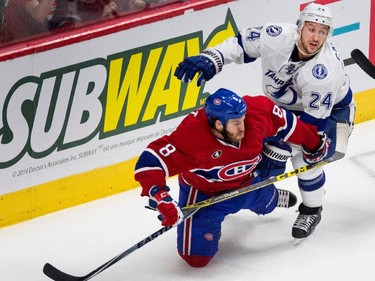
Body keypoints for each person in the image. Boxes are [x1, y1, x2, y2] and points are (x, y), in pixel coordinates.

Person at [174, 3, 355, 240]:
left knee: (305, 159)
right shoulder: (277, 35)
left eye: (323, 32)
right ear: (299, 26)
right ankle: (261, 195)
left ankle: (312, 209)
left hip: (330, 114)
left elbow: (311, 126)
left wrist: (282, 148)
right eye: (312, 29)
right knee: (238, 140)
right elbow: (241, 44)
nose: (316, 37)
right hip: (280, 109)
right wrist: (212, 57)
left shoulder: (323, 71)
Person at [134, 87, 331, 267]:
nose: (242, 127)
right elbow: (150, 162)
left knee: (267, 201)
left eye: (243, 119)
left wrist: (314, 143)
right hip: (205, 194)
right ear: (218, 124)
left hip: (248, 183)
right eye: (236, 123)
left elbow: (290, 125)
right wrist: (161, 198)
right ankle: (262, 196)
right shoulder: (191, 135)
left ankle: (270, 195)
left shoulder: (257, 111)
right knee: (195, 259)